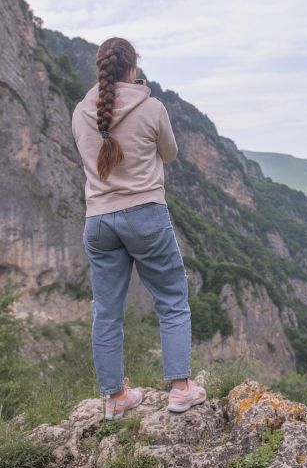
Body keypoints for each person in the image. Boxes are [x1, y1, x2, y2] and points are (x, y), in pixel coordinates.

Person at [71, 37, 206, 420]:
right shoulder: (151, 107)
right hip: (144, 214)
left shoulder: (81, 111)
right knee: (172, 300)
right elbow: (170, 153)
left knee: (107, 311)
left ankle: (114, 397)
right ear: (133, 68)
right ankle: (180, 389)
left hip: (98, 220)